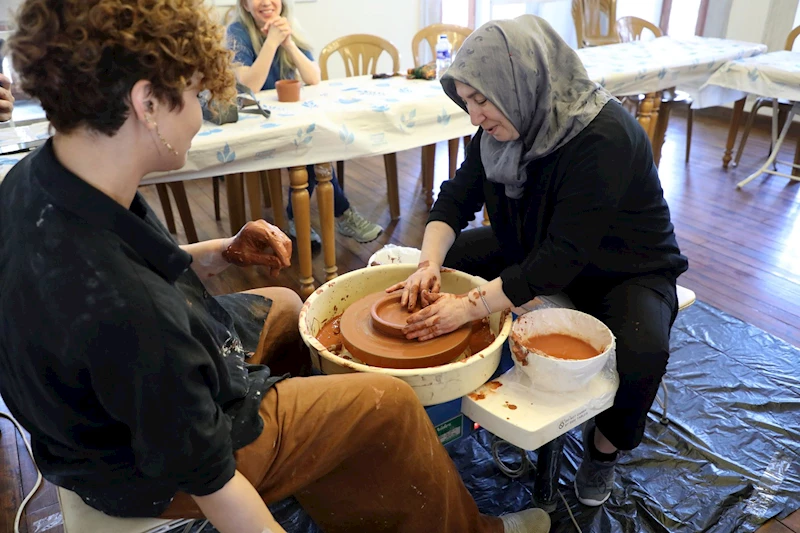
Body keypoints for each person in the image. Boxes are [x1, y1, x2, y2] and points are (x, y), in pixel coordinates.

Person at [0, 2, 552, 532]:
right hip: (144, 468)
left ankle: (324, 463)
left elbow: (140, 270)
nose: (202, 112)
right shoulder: (128, 308)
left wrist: (221, 251)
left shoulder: (37, 178)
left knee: (288, 307)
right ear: (147, 104)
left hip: (118, 409)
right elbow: (208, 475)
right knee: (389, 403)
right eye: (195, 94)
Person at [390, 15, 689, 509]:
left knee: (644, 351)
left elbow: (562, 257)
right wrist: (427, 265)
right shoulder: (499, 129)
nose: (474, 116)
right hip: (537, 244)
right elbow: (455, 200)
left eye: (481, 99)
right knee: (452, 260)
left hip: (624, 268)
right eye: (467, 102)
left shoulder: (604, 136)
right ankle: (485, 381)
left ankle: (603, 450)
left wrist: (467, 308)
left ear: (521, 81)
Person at [226, 0, 383, 244]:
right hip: (255, 121)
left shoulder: (288, 26)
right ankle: (339, 214)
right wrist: (272, 42)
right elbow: (250, 86)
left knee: (313, 142)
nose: (266, 2)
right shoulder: (237, 32)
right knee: (310, 147)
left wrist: (288, 42)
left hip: (287, 116)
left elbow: (313, 77)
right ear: (245, 5)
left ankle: (298, 217)